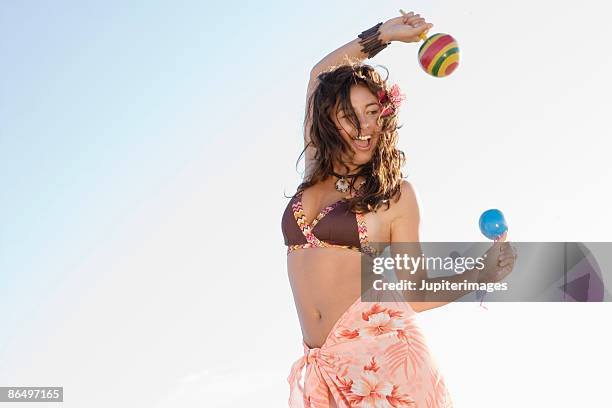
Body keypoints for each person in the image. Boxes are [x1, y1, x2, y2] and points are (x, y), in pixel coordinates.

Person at [281, 11, 516, 408]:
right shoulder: (317, 166)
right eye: (347, 116)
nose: (362, 127)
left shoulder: (396, 195)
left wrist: (482, 272)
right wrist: (384, 35)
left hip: (386, 366)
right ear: (328, 120)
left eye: (371, 113)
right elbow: (319, 74)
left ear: (385, 115)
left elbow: (416, 292)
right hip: (325, 372)